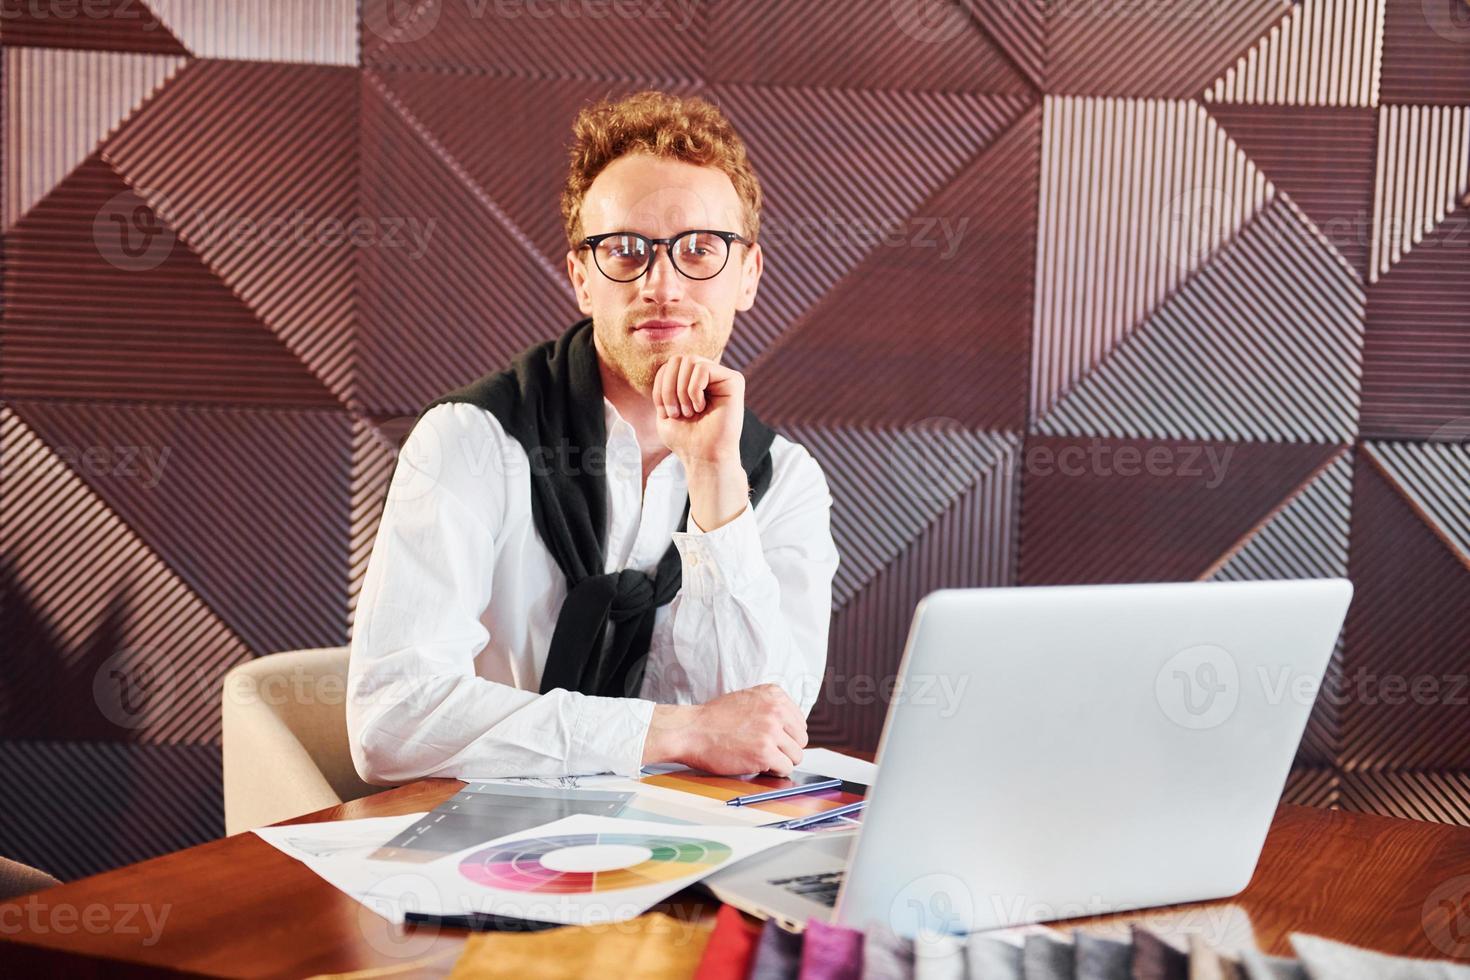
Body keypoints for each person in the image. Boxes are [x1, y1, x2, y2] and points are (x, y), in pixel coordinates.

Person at [347, 90, 840, 784]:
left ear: (748, 275)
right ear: (581, 277)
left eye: (700, 249)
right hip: (489, 849)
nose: (662, 284)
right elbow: (392, 720)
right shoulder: (470, 441)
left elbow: (767, 726)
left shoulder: (784, 481)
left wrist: (715, 485)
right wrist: (678, 730)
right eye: (626, 250)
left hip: (696, 850)